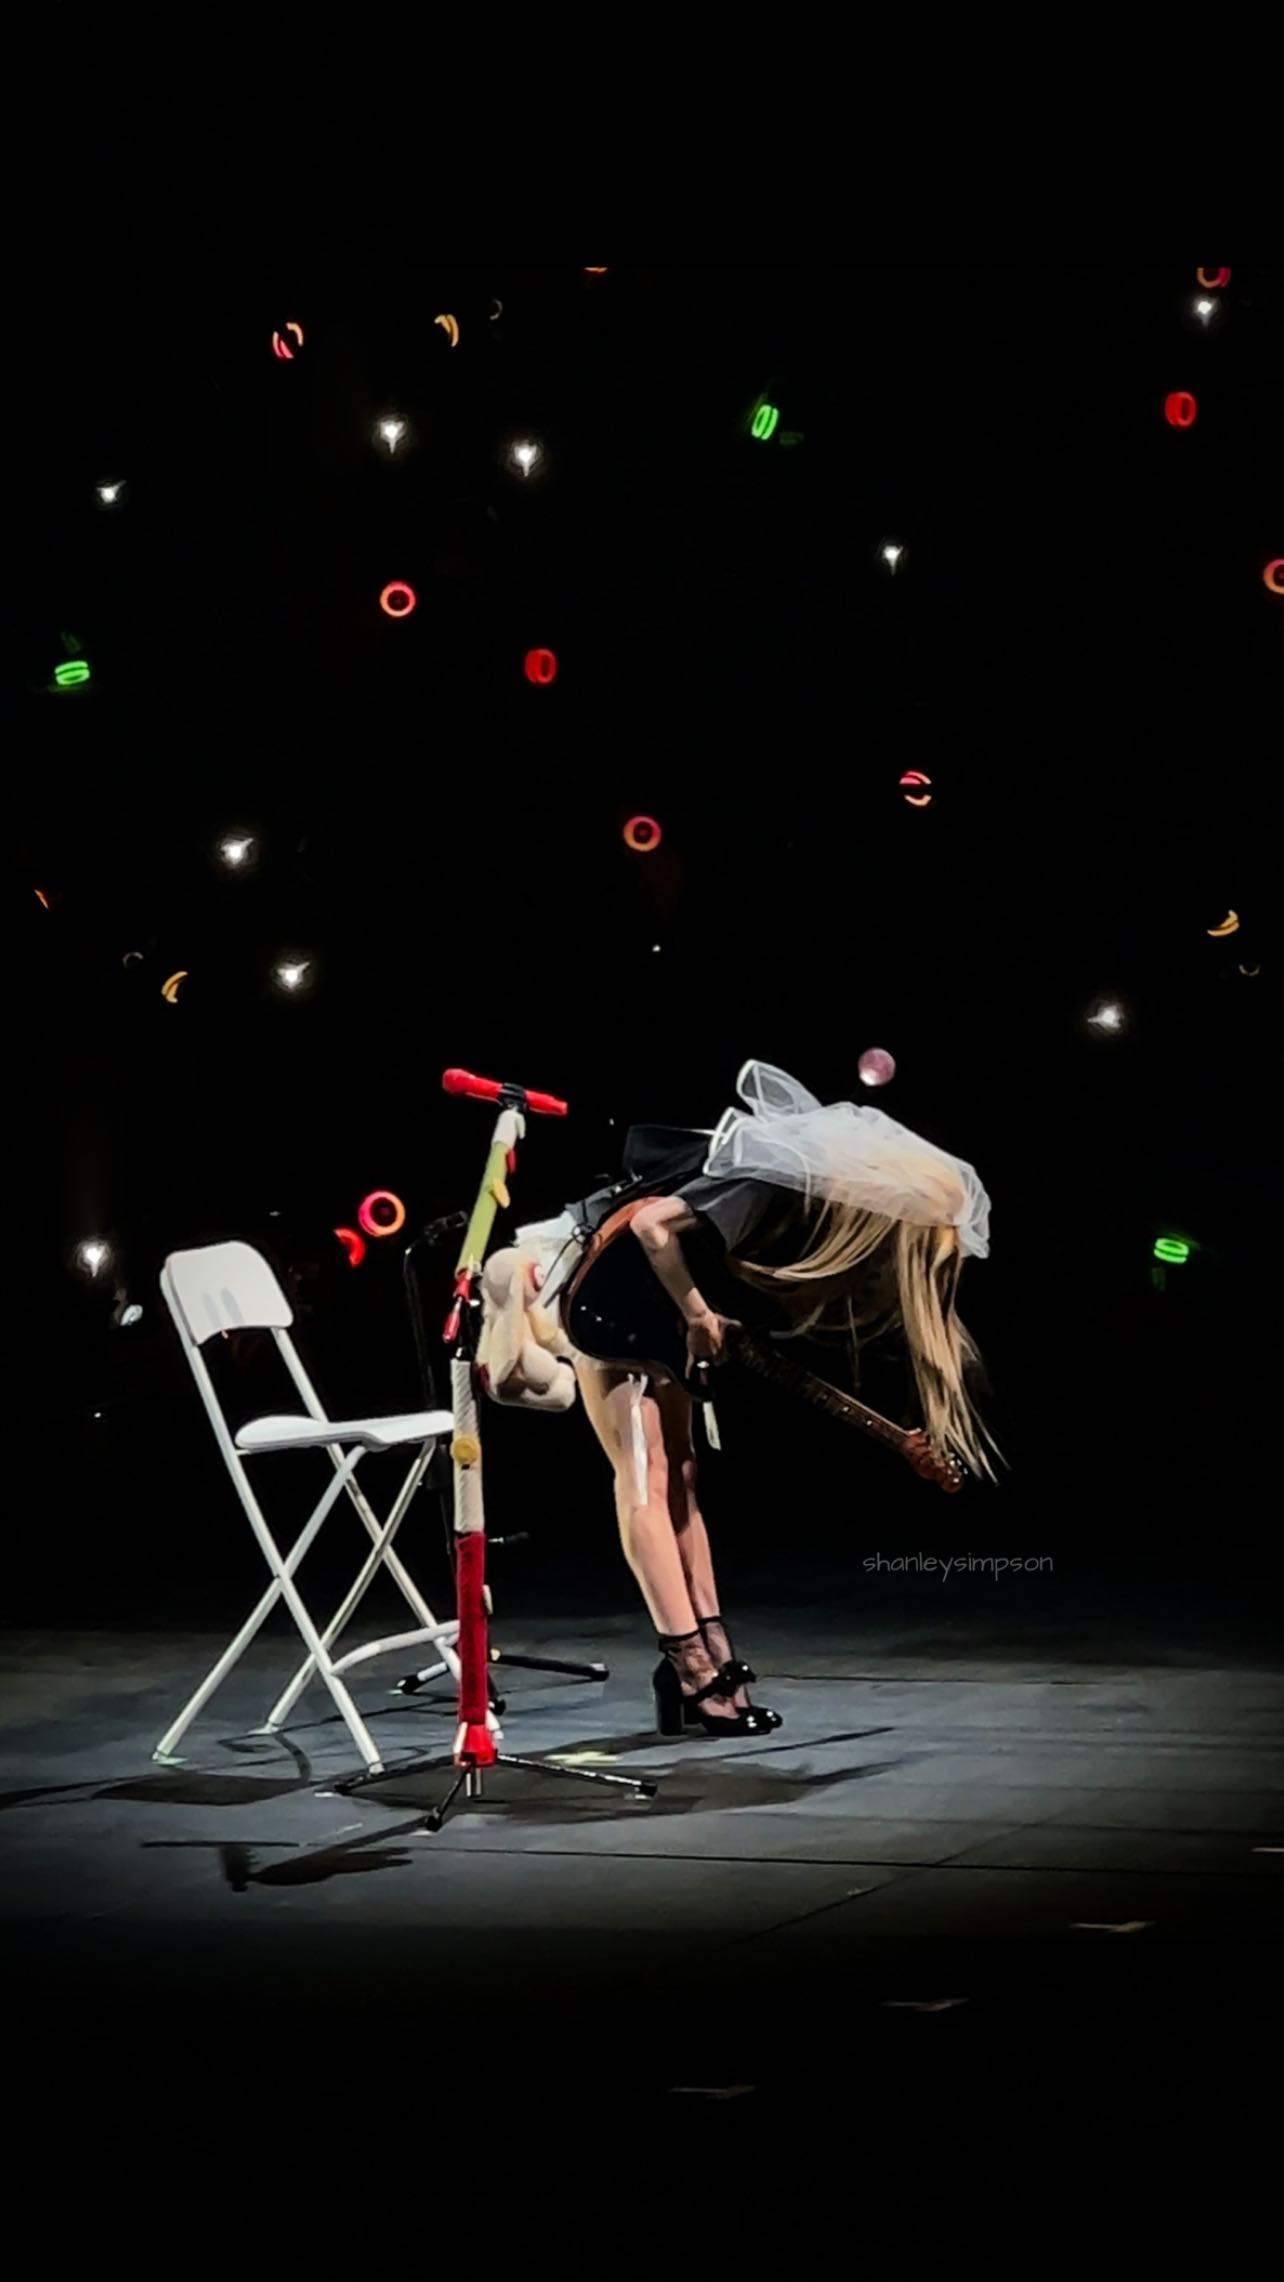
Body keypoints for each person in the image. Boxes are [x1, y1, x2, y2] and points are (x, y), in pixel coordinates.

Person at [478, 1061, 994, 1739]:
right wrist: (698, 1314)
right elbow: (652, 1226)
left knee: (683, 1474)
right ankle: (691, 1665)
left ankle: (708, 1655)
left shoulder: (806, 1203)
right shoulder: (770, 1178)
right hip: (605, 1279)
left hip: (653, 1299)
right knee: (645, 1472)